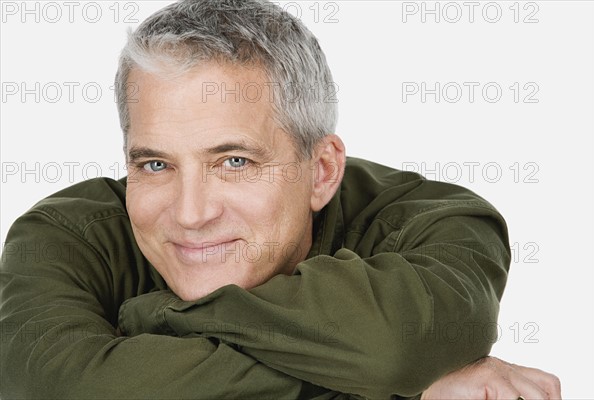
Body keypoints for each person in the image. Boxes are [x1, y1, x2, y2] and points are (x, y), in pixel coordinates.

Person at [0, 0, 560, 398]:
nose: (191, 213)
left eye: (235, 162)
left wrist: (150, 323)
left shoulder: (444, 224)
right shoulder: (60, 237)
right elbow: (60, 389)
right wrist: (395, 383)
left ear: (320, 171)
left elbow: (394, 349)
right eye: (155, 164)